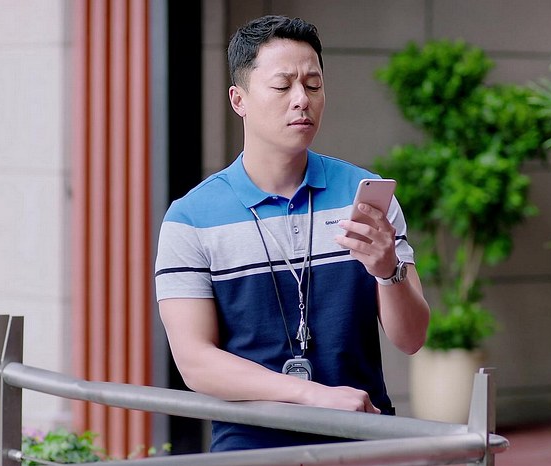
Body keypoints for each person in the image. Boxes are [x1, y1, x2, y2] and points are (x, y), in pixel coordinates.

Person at [154, 14, 430, 452]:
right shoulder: (190, 218)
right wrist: (312, 396)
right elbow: (195, 362)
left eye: (313, 85)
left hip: (365, 437)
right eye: (282, 86)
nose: (302, 99)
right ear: (239, 100)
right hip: (251, 445)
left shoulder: (364, 198)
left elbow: (412, 339)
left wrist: (388, 270)